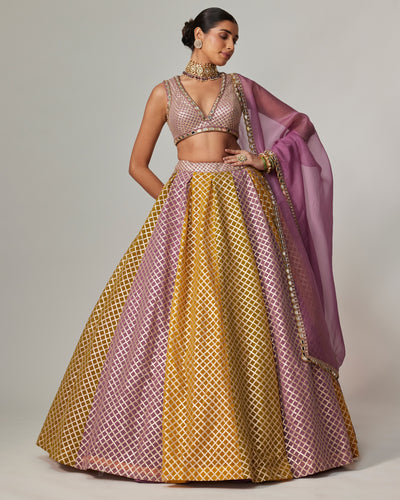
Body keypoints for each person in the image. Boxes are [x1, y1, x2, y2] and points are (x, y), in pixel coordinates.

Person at [36, 7, 359, 484]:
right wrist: (174, 203)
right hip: (186, 208)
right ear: (198, 36)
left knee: (253, 310)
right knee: (168, 313)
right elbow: (137, 164)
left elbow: (300, 127)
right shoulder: (164, 92)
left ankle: (274, 440)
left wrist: (264, 159)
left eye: (235, 40)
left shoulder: (240, 87)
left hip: (241, 206)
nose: (229, 47)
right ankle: (156, 442)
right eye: (223, 36)